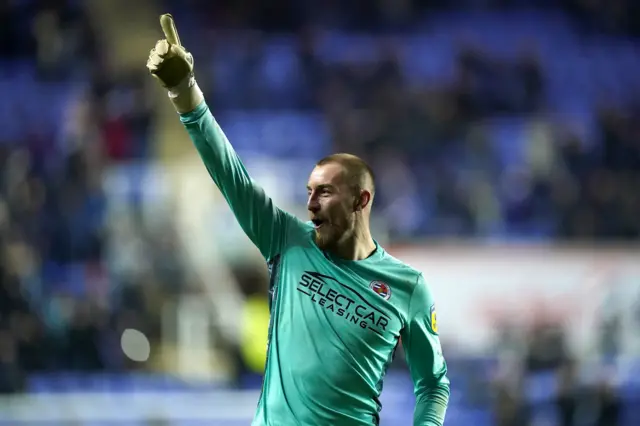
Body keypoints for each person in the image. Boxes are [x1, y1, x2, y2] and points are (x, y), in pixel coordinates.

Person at [146, 14, 450, 426]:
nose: (311, 204)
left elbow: (433, 383)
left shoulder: (406, 287)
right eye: (309, 192)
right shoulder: (288, 242)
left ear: (361, 200)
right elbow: (232, 176)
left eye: (325, 193)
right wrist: (185, 92)